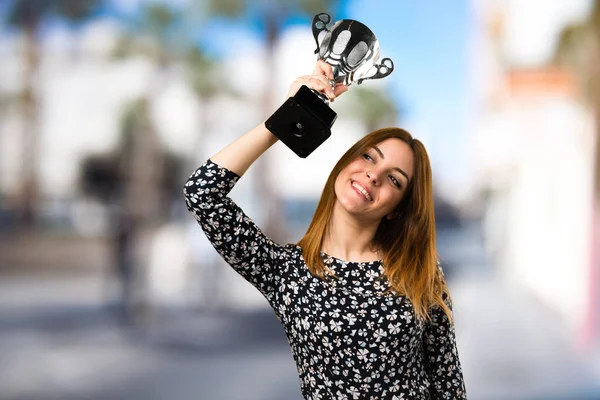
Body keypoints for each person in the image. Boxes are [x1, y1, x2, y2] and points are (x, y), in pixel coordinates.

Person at [183, 60, 467, 399]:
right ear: (345, 163)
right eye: (368, 158)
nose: (373, 175)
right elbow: (202, 193)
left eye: (394, 178)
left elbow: (449, 386)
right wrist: (287, 116)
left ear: (398, 209)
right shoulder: (288, 272)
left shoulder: (419, 272)